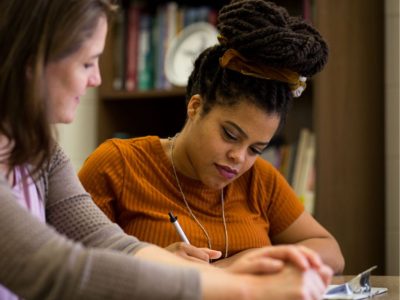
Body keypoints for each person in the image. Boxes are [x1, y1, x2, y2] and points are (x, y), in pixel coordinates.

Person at [0, 0, 334, 299]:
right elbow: (54, 268)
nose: (97, 79)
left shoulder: (43, 152)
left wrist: (232, 272)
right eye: (88, 63)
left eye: (255, 149)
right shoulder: (115, 161)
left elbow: (113, 245)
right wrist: (247, 287)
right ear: (35, 58)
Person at [79, 0, 345, 275]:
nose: (239, 158)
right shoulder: (119, 165)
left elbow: (331, 252)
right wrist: (151, 263)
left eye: (256, 148)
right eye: (230, 134)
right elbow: (68, 264)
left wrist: (247, 261)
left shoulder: (260, 182)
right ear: (195, 107)